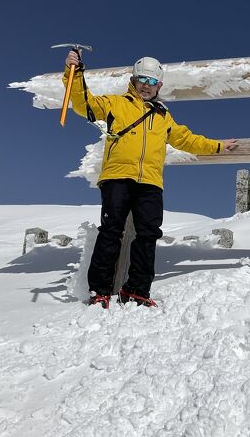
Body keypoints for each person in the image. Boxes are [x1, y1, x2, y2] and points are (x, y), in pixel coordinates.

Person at [63, 51, 238, 308]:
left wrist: (218, 146)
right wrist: (74, 73)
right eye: (142, 79)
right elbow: (83, 104)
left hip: (150, 183)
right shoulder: (115, 104)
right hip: (117, 177)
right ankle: (99, 290)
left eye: (152, 81)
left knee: (148, 234)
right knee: (111, 231)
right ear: (133, 81)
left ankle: (137, 290)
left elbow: (187, 140)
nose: (146, 85)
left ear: (160, 85)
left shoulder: (163, 116)